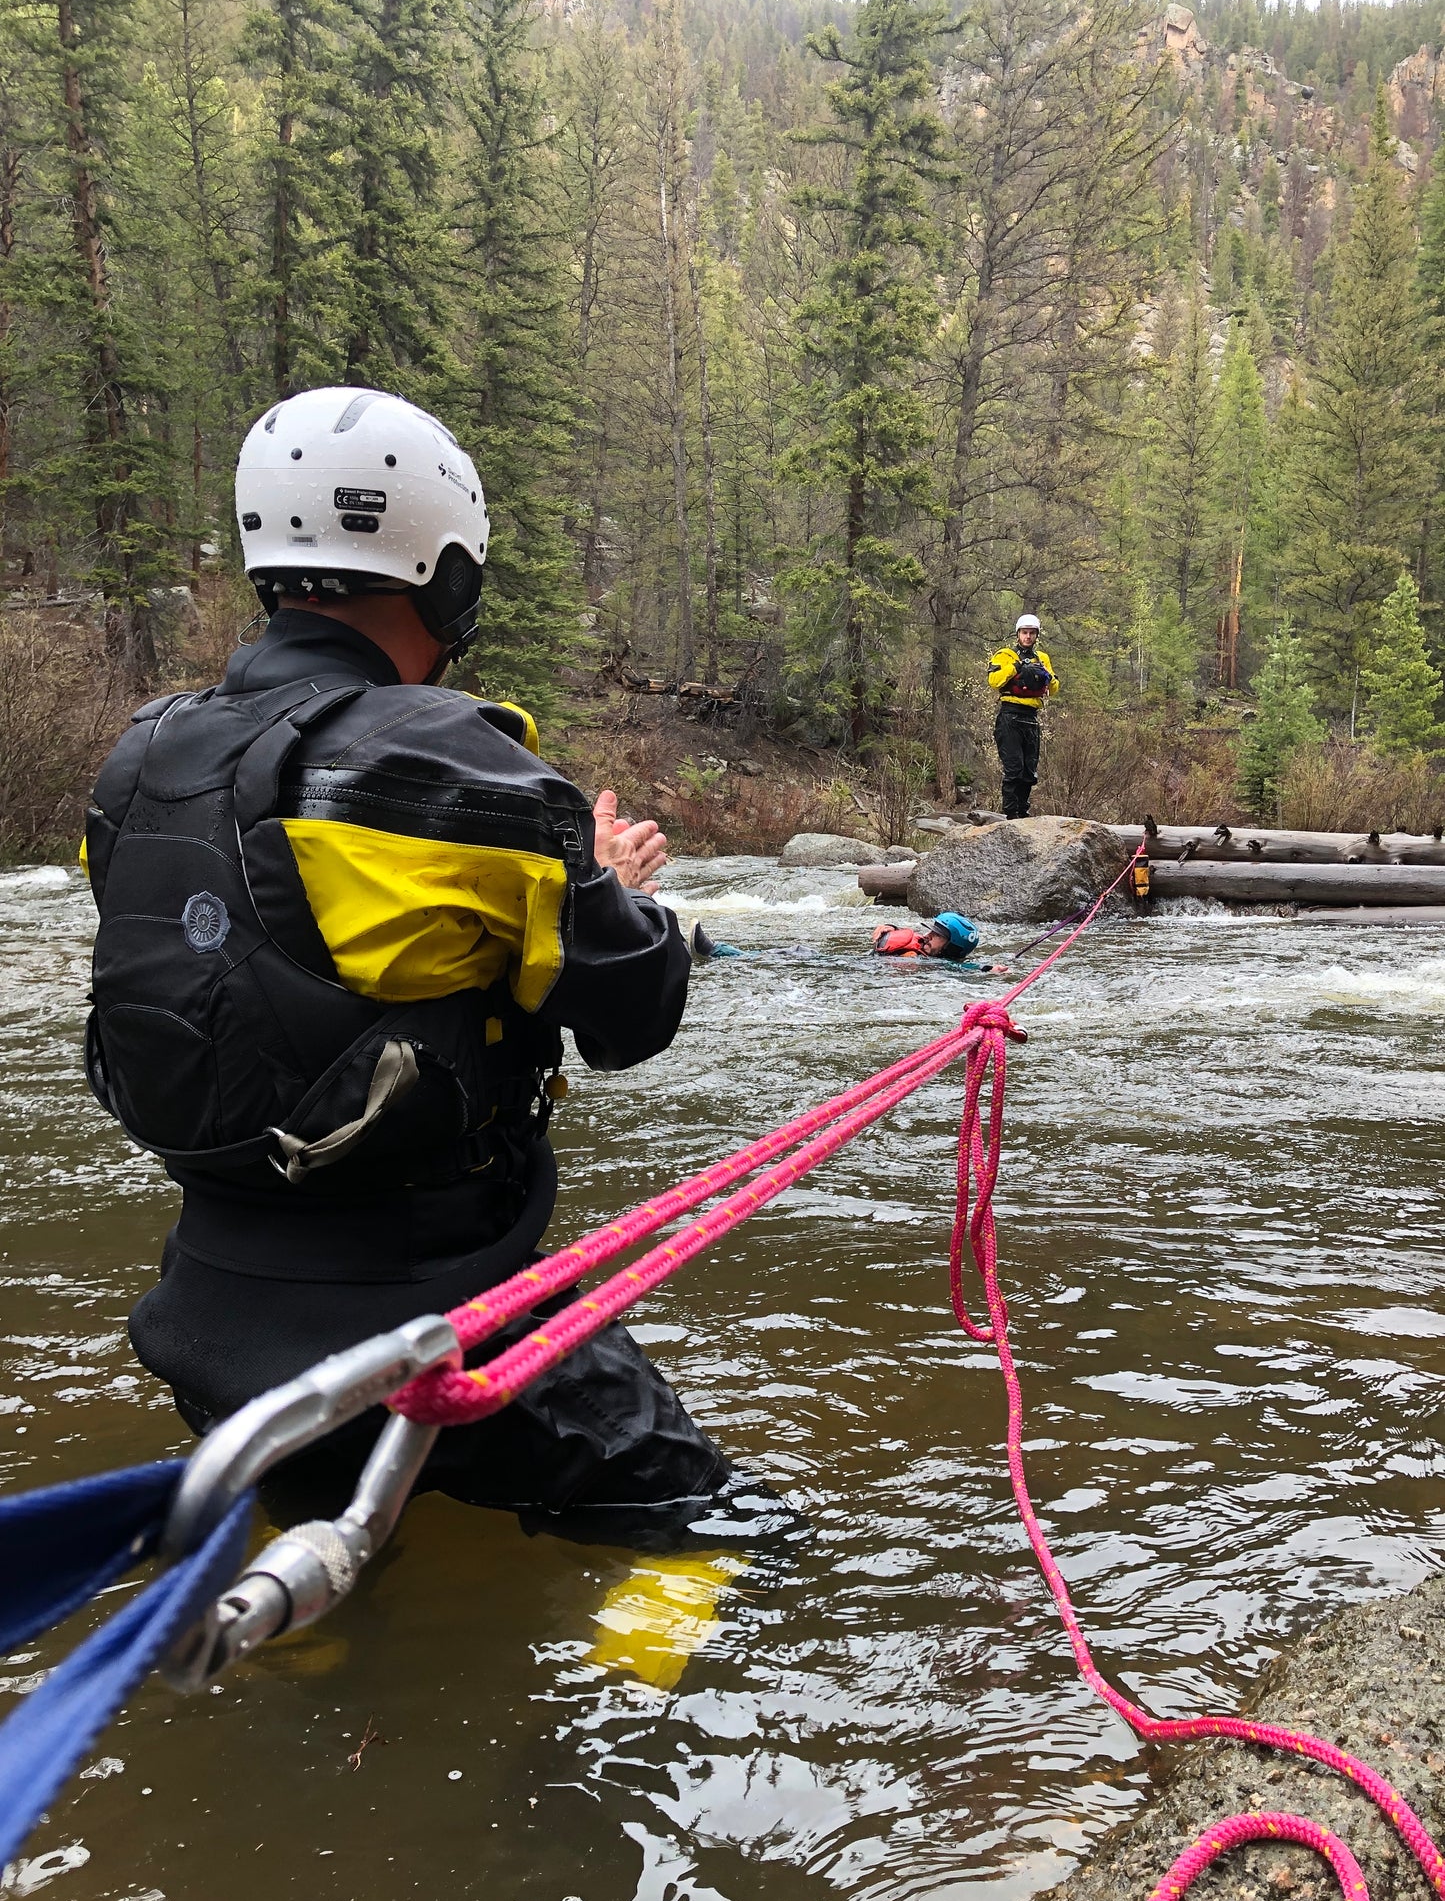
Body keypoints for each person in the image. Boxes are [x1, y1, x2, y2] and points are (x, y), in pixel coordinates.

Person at [80, 387, 767, 1549]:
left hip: (206, 1330)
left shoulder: (142, 756)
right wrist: (621, 889)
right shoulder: (454, 763)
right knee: (728, 1538)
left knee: (334, 1582)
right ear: (447, 578)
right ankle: (608, 1730)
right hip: (433, 1331)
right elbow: (631, 1012)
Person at [988, 613, 1058, 819]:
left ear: (1036, 635)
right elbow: (994, 681)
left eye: (1032, 633)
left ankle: (1023, 813)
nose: (1028, 637)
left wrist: (1047, 675)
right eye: (1024, 633)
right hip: (1010, 716)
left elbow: (1053, 689)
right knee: (1014, 769)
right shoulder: (1005, 655)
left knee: (1029, 772)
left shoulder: (1042, 658)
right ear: (1018, 634)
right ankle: (1010, 815)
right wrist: (1016, 667)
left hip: (1031, 717)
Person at [871, 913, 1009, 971]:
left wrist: (989, 969)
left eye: (937, 934)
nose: (928, 936)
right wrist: (890, 929)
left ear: (951, 948)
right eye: (931, 931)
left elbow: (963, 967)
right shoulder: (919, 945)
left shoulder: (941, 964)